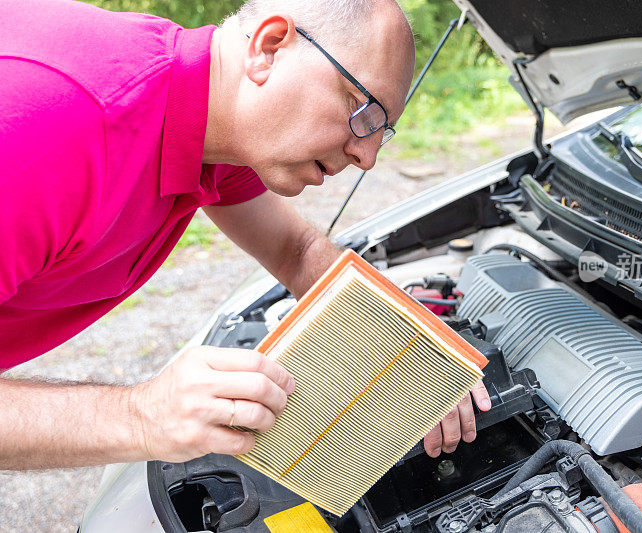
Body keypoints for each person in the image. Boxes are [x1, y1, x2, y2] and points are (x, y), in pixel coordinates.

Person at [0, 0, 490, 470]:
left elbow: (297, 252)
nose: (367, 157)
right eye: (362, 112)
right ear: (270, 45)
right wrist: (144, 416)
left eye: (381, 132)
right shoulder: (53, 132)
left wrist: (419, 358)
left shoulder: (213, 122)